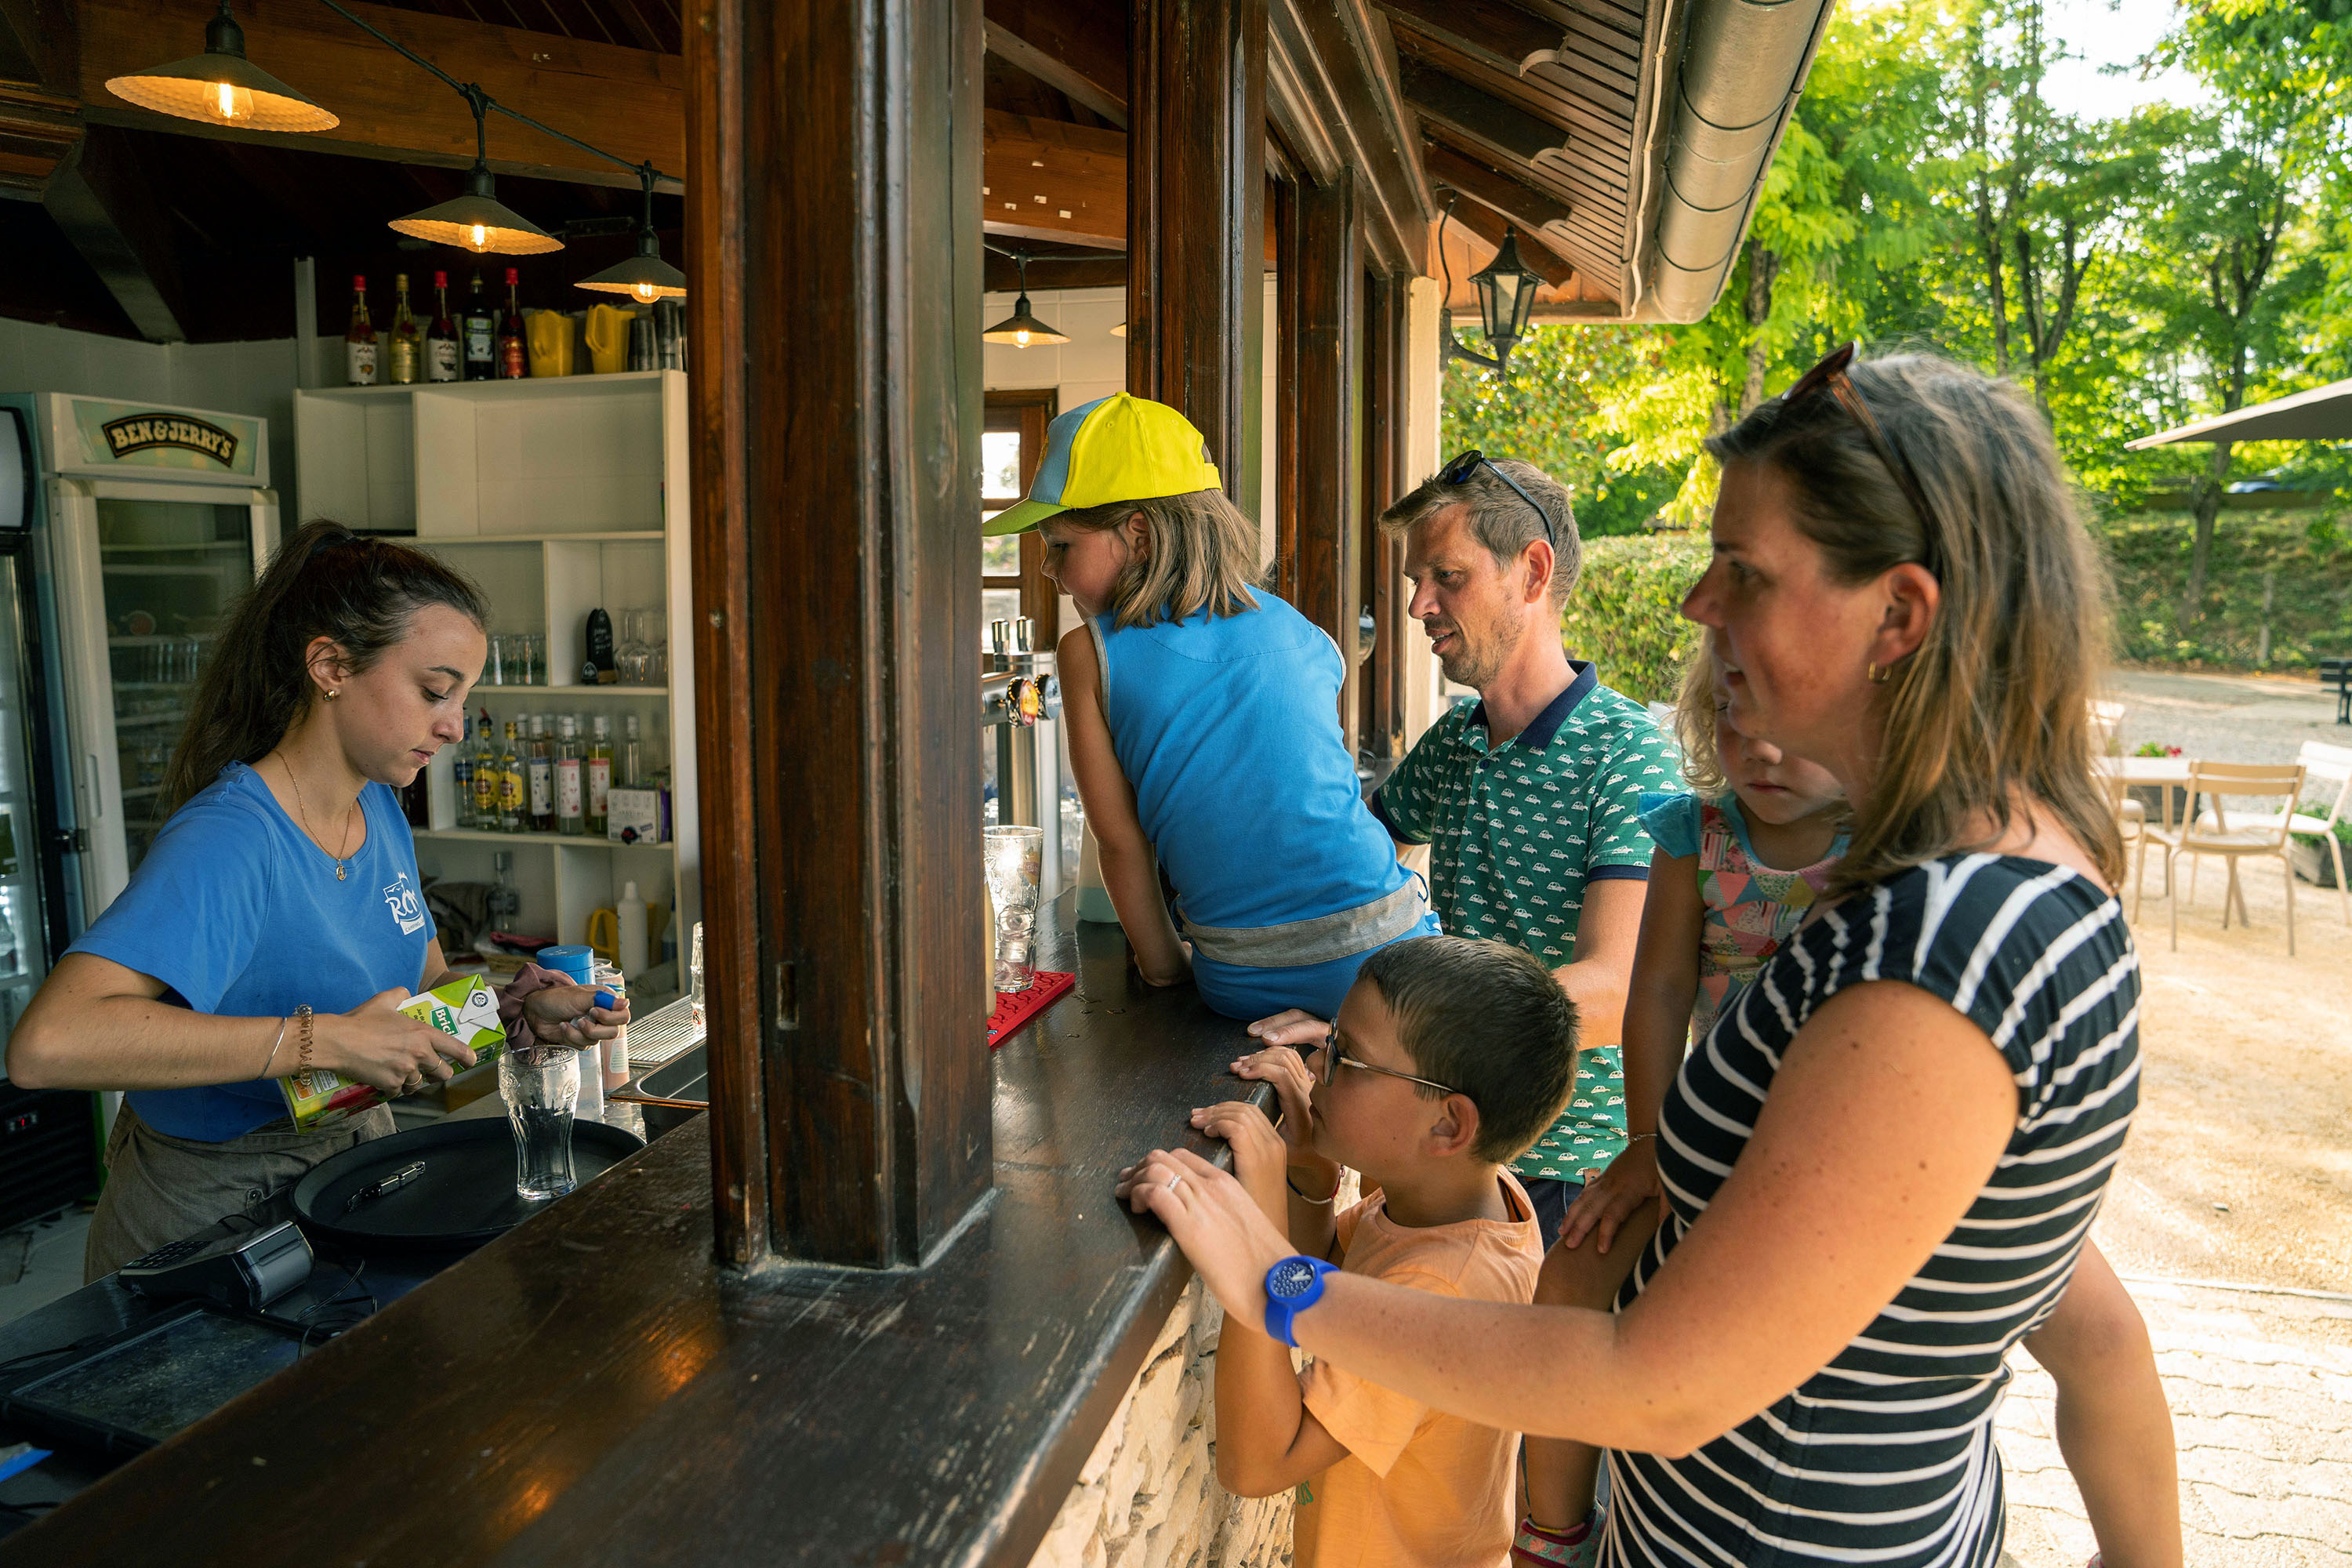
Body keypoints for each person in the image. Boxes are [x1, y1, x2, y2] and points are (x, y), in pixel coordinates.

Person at [1117, 348, 2183, 1566]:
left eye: (1746, 573)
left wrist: (1279, 1281)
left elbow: (1660, 1381)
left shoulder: (1948, 952)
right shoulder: (1970, 882)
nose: (1698, 607)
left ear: (1899, 614)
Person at [1521, 637, 2179, 1566]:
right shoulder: (1694, 833)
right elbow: (1658, 990)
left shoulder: (1893, 845)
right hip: (1719, 1129)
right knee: (1579, 1266)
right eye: (1731, 722)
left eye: (1787, 728)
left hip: (1897, 1135)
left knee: (2105, 1335)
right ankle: (1552, 1530)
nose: (1761, 752)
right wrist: (1653, 1142)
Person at [9, 521, 626, 1280]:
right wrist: (324, 1040)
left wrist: (512, 1012)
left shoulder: (382, 812)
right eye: (434, 690)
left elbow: (422, 999)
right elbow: (48, 1043)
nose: (455, 725)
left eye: (464, 696)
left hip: (354, 1159)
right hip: (212, 1200)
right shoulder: (232, 838)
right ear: (331, 664)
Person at [1250, 454, 1679, 1241]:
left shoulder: (1629, 755)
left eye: (1446, 575)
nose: (1418, 604)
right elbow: (1351, 866)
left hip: (1566, 1176)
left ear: (1534, 570)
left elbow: (1614, 990)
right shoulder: (1457, 739)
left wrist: (1383, 1046)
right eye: (1418, 579)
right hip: (1434, 1150)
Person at [987, 392, 1437, 1020]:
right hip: (1393, 955)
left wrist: (1165, 968)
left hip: (1247, 975)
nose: (1047, 569)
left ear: (1137, 533)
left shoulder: (1088, 654)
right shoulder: (1305, 632)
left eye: (1061, 545)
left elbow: (1120, 844)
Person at [1141, 935, 1576, 1568]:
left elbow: (1260, 1462)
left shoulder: (1443, 1289)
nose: (1317, 1066)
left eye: (1348, 1058)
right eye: (1330, 1042)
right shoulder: (1458, 1202)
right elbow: (1327, 1289)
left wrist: (1255, 1225)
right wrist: (1314, 1176)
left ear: (1449, 1126)